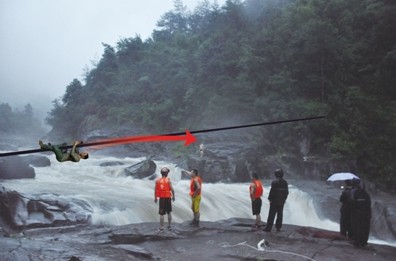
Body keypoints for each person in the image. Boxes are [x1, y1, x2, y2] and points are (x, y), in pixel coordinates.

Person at [350, 178, 371, 247]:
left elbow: (353, 203)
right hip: (364, 214)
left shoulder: (356, 193)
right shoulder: (366, 194)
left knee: (357, 228)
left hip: (358, 213)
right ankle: (363, 241)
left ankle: (357, 241)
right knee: (364, 228)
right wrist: (369, 214)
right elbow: (368, 205)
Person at [154, 167, 175, 232]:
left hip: (162, 198)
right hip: (168, 198)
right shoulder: (168, 180)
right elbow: (172, 189)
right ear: (167, 174)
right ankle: (169, 226)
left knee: (161, 213)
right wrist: (173, 196)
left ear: (161, 173)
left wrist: (155, 198)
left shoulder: (157, 180)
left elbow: (155, 190)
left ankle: (161, 227)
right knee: (169, 212)